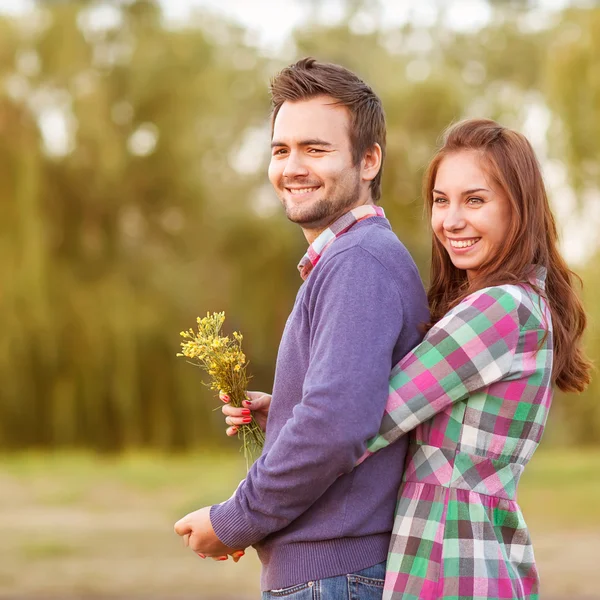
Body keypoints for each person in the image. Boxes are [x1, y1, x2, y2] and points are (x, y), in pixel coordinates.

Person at [224, 118, 592, 600]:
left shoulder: (500, 309)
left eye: (475, 200)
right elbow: (387, 410)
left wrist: (236, 517)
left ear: (519, 208)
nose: (451, 220)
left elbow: (362, 417)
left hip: (455, 563)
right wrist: (289, 408)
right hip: (461, 556)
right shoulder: (516, 304)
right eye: (441, 200)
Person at [174, 58, 429, 599]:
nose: (292, 166)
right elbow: (347, 411)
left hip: (331, 576)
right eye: (280, 149)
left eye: (315, 149)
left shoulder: (359, 262)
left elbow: (333, 428)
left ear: (368, 161)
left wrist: (232, 521)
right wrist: (286, 409)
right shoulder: (352, 259)